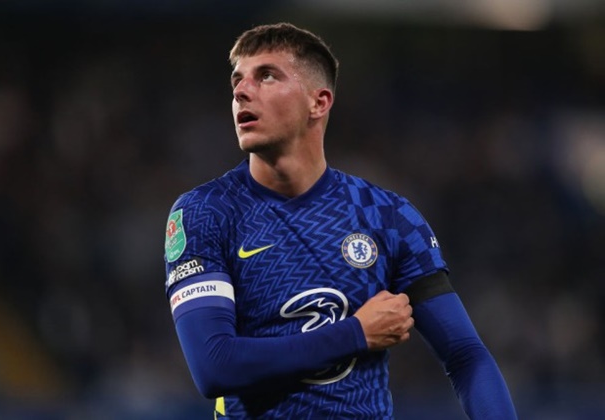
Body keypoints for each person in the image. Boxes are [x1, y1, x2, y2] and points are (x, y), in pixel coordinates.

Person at [163, 22, 517, 419]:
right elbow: (214, 365)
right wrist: (356, 333)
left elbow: (466, 356)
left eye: (266, 76)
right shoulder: (206, 212)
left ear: (319, 102)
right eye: (237, 80)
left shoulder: (386, 216)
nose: (241, 91)